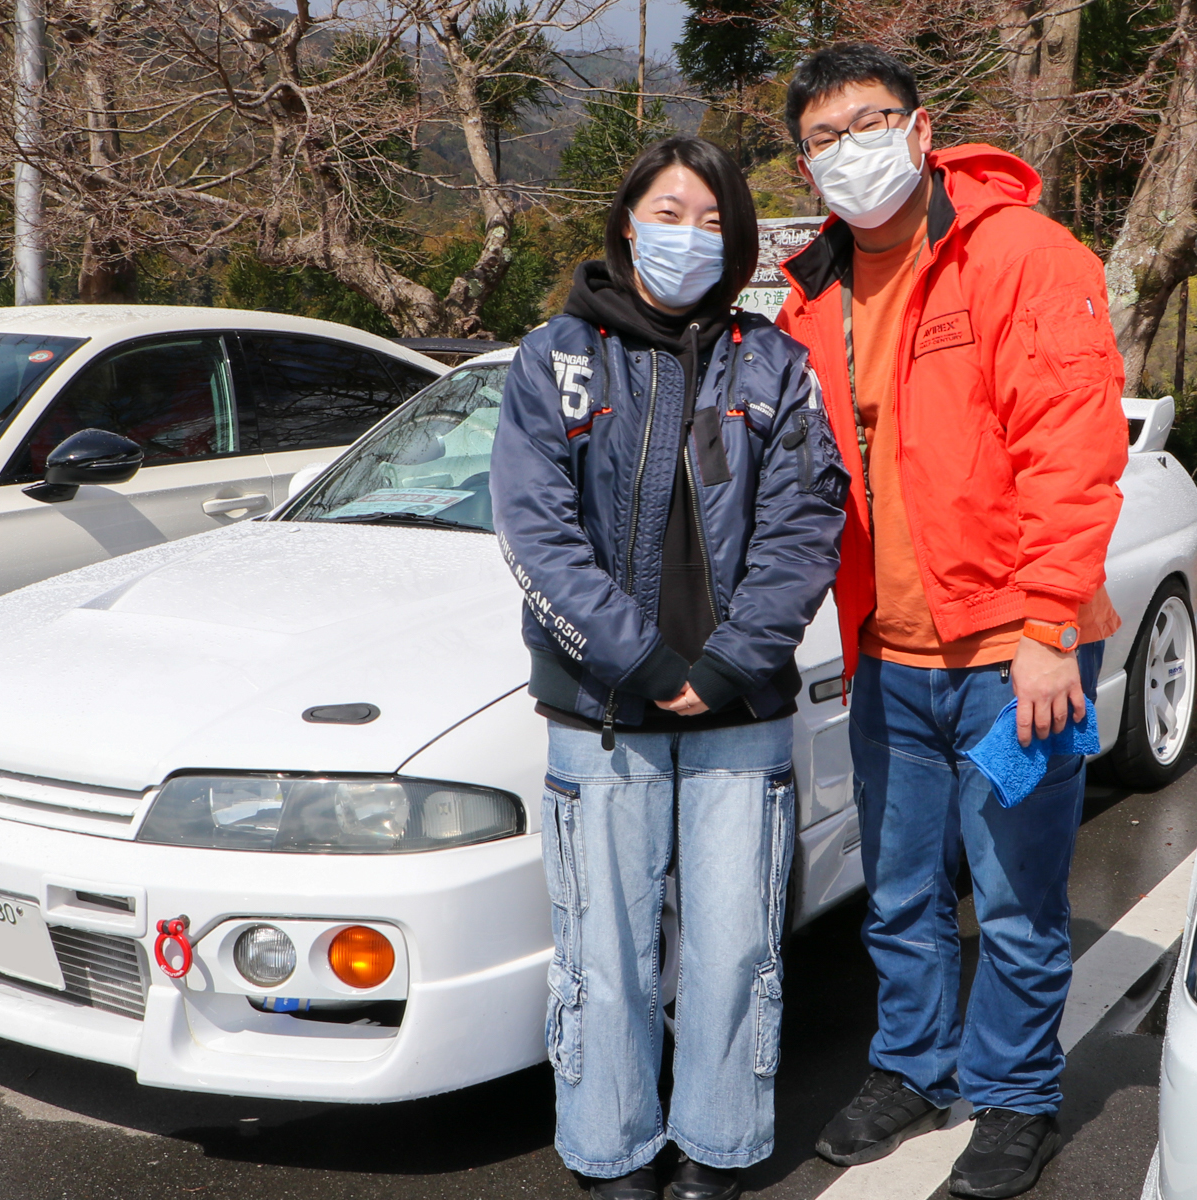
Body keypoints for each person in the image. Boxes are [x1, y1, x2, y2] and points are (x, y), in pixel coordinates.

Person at [773, 44, 1129, 1200]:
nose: (851, 151)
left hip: (1013, 657)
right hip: (889, 657)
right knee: (902, 890)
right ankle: (912, 1066)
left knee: (1017, 897)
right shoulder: (814, 293)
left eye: (869, 123)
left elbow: (1072, 451)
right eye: (824, 138)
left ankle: (1016, 1096)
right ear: (805, 164)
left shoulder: (1021, 255)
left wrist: (1049, 629)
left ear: (922, 130)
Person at [491, 136, 848, 1200]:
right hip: (603, 712)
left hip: (741, 711)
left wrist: (731, 660)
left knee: (734, 949)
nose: (687, 236)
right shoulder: (555, 357)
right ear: (626, 221)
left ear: (737, 244)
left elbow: (806, 526)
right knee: (605, 954)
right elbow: (534, 528)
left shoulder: (774, 362)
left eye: (711, 221)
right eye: (667, 212)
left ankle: (717, 1144)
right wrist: (642, 661)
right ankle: (613, 1149)